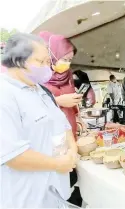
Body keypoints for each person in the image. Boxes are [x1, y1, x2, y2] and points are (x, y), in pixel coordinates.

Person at [0, 33, 77, 208]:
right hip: (27, 198)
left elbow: (63, 125)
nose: (47, 67)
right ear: (19, 60)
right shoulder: (4, 94)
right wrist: (58, 164)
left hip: (56, 192)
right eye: (41, 62)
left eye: (48, 61)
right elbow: (13, 155)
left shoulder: (42, 90)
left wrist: (72, 151)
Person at [38, 31, 83, 206]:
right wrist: (57, 101)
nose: (67, 63)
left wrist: (78, 116)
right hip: (51, 135)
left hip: (70, 130)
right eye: (64, 58)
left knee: (70, 174)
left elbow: (72, 100)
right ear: (52, 54)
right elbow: (35, 104)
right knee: (56, 178)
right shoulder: (40, 77)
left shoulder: (68, 75)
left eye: (70, 60)